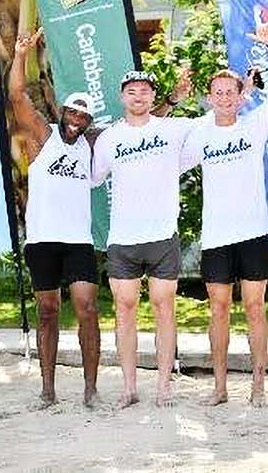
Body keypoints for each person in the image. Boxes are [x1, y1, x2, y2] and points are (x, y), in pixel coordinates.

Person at [180, 21, 268, 407]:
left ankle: (259, 386)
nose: (225, 97)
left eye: (232, 91)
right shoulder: (198, 133)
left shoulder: (255, 125)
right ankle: (220, 387)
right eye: (218, 93)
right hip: (215, 238)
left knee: (256, 308)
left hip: (252, 234)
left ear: (241, 95)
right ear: (210, 98)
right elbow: (162, 161)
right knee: (219, 310)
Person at [92, 66, 194, 408]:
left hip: (163, 235)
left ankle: (164, 385)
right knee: (125, 310)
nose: (139, 96)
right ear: (122, 97)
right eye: (132, 91)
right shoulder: (109, 137)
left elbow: (214, 130)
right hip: (122, 239)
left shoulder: (174, 129)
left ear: (153, 96)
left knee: (165, 309)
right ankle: (129, 388)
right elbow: (91, 177)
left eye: (145, 91)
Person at [9, 29, 100, 408]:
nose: (77, 118)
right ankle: (47, 390)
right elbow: (17, 95)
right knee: (47, 312)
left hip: (78, 241)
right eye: (72, 111)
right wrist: (19, 55)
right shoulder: (43, 136)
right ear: (62, 112)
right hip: (42, 240)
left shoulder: (92, 143)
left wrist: (170, 102)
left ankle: (90, 389)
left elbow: (136, 129)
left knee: (87, 309)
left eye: (83, 115)